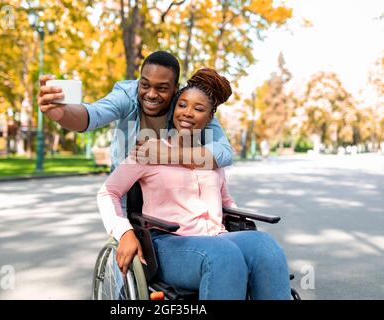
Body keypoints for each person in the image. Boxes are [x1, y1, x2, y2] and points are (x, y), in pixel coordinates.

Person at [97, 68, 291, 300]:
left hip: (217, 238)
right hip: (167, 244)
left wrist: (240, 225)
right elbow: (108, 192)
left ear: (210, 118)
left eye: (198, 109)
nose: (187, 113)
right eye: (182, 105)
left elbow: (226, 202)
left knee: (265, 245)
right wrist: (124, 231)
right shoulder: (148, 150)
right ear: (173, 109)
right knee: (223, 254)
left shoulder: (211, 158)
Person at [37, 51, 233, 171]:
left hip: (171, 202)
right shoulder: (127, 95)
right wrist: (61, 114)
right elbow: (92, 116)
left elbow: (224, 152)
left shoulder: (185, 106)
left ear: (175, 89)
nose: (151, 94)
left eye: (162, 88)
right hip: (128, 195)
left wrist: (168, 154)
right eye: (145, 84)